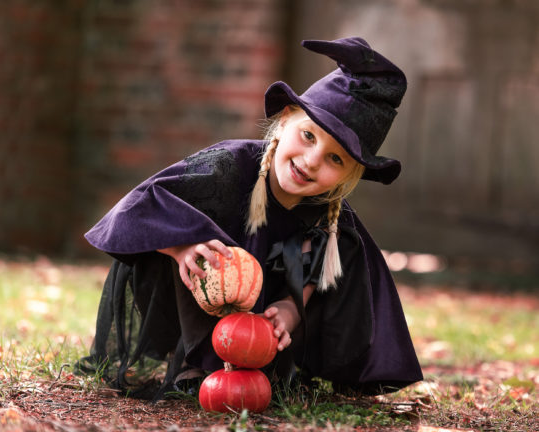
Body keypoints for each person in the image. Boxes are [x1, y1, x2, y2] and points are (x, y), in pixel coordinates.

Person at [77, 37, 423, 401]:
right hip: (192, 289)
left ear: (350, 175)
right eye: (308, 136)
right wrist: (181, 247)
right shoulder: (227, 168)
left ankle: (267, 368)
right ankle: (198, 364)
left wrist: (291, 310)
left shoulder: (327, 211)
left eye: (335, 159)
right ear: (286, 118)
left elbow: (313, 267)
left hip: (262, 318)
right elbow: (139, 209)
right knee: (194, 232)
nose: (311, 161)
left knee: (346, 248)